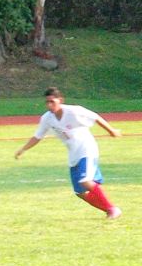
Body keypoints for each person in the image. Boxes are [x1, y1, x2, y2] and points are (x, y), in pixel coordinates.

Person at [15, 87, 122, 219]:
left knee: (86, 181)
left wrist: (111, 131)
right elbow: (38, 136)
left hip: (86, 149)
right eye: (47, 102)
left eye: (52, 102)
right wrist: (23, 149)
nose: (49, 105)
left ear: (60, 100)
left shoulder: (74, 111)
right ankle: (109, 209)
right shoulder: (47, 118)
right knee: (80, 192)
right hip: (73, 155)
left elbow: (95, 117)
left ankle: (112, 209)